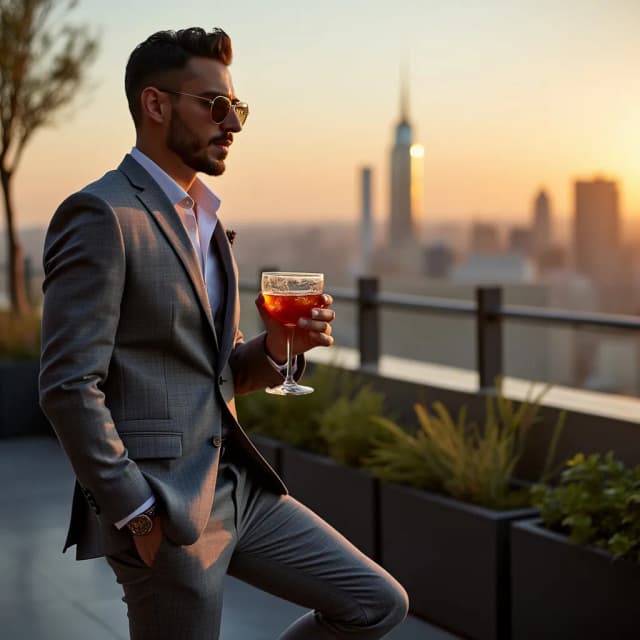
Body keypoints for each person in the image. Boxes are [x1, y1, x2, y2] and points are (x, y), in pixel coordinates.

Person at [39, 27, 408, 640]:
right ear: (155, 106)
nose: (232, 124)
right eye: (214, 106)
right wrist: (137, 513)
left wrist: (277, 351)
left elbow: (218, 374)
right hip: (164, 506)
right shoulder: (102, 215)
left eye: (236, 108)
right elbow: (68, 385)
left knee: (375, 601)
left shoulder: (207, 222)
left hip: (240, 487)